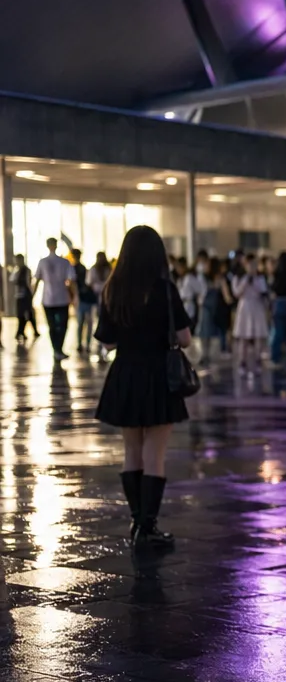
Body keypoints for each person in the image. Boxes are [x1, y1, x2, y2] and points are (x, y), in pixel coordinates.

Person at [93, 225, 192, 547]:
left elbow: (107, 342)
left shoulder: (114, 289)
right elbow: (185, 338)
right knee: (155, 453)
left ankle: (137, 522)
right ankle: (148, 527)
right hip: (159, 374)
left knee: (131, 451)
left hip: (125, 374)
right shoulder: (164, 289)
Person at [34, 237, 75, 361]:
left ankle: (57, 349)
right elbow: (71, 280)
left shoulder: (43, 262)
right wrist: (73, 296)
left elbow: (37, 279)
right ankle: (58, 349)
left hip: (49, 299)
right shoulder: (64, 262)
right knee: (62, 325)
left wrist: (33, 295)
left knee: (52, 326)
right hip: (62, 298)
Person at [228, 254, 268, 376]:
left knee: (258, 336)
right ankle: (242, 363)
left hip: (257, 306)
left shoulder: (260, 277)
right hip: (244, 307)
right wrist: (246, 280)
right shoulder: (238, 277)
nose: (252, 267)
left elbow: (263, 290)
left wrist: (254, 280)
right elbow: (236, 293)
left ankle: (258, 362)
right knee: (243, 337)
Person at [10, 254, 36, 342]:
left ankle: (19, 333)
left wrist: (31, 294)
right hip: (19, 296)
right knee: (22, 315)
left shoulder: (26, 270)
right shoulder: (17, 270)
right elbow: (12, 279)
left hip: (25, 296)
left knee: (26, 314)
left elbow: (28, 283)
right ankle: (22, 332)